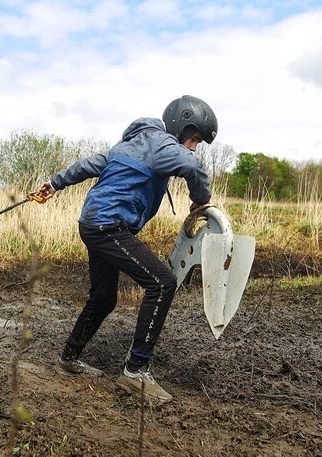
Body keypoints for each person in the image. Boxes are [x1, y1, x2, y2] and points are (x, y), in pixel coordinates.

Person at [37, 95, 218, 403]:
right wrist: (201, 198)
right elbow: (192, 166)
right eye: (195, 138)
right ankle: (135, 372)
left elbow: (85, 165)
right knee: (162, 283)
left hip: (93, 224)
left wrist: (54, 184)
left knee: (104, 298)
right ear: (180, 125)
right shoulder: (163, 145)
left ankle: (68, 358)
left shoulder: (126, 146)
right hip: (109, 226)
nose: (193, 147)